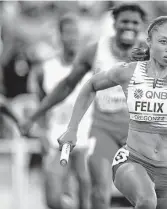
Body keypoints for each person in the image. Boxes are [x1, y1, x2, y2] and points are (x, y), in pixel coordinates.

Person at [58, 16, 167, 209]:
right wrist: (72, 128)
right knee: (147, 202)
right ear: (149, 42)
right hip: (133, 161)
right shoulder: (129, 73)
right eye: (163, 41)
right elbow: (91, 85)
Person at [20, 4, 147, 209]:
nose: (129, 26)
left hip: (137, 132)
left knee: (146, 195)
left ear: (142, 26)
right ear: (114, 23)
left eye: (135, 22)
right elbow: (67, 85)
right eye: (124, 21)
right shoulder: (95, 51)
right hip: (100, 131)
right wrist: (35, 116)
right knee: (99, 193)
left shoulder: (150, 52)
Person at [25, 13, 92, 209]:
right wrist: (41, 133)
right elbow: (37, 105)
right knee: (53, 199)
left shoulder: (91, 68)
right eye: (68, 33)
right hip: (56, 140)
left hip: (86, 141)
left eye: (76, 33)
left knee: (86, 195)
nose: (73, 38)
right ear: (60, 36)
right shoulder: (45, 69)